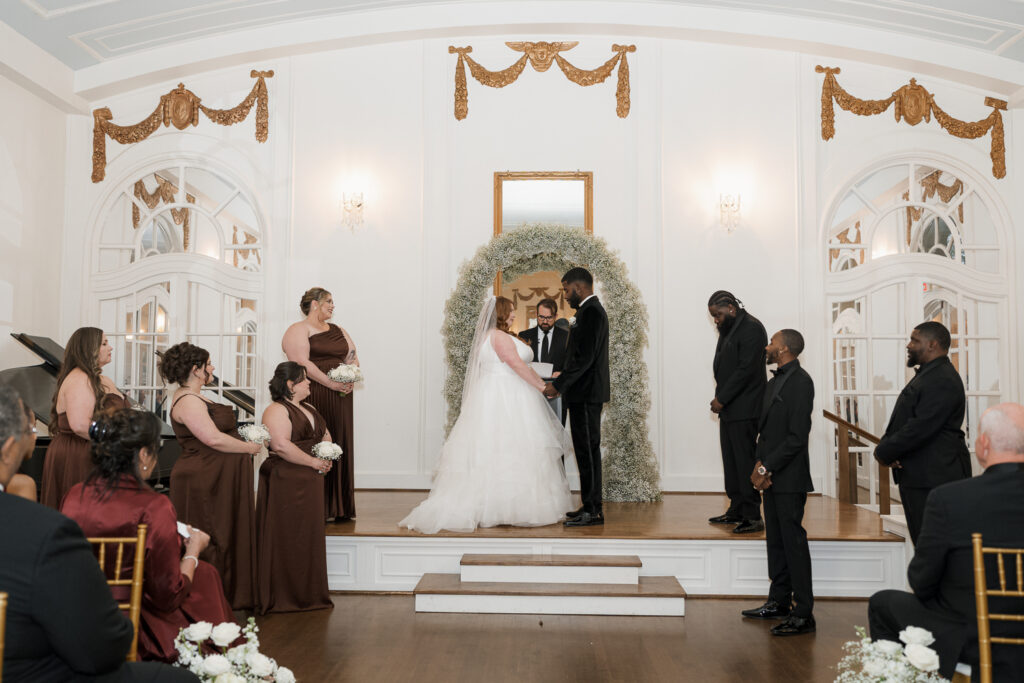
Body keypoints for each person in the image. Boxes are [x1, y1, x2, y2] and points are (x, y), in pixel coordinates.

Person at [0, 384, 199, 682]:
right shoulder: (40, 532)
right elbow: (98, 651)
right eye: (29, 429)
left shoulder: (74, 497)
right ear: (7, 450)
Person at [61, 408, 236, 662]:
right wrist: (194, 550)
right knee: (206, 576)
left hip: (78, 611)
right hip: (132, 620)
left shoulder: (75, 494)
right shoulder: (154, 506)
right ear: (143, 454)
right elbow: (168, 595)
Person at [868, 403, 1024, 680]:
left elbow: (921, 581)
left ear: (984, 444)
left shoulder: (950, 499)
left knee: (883, 604)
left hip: (972, 639)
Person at [401, 296, 571, 533]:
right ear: (501, 313)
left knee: (502, 449)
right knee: (508, 448)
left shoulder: (492, 336)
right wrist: (543, 388)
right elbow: (518, 365)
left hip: (501, 393)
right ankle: (507, 507)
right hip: (506, 397)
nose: (513, 315)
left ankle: (503, 505)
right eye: (511, 311)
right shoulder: (498, 337)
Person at [160, 341, 260, 611]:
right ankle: (208, 601)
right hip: (203, 479)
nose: (212, 368)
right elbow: (212, 438)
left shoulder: (196, 396)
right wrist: (249, 447)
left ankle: (226, 597)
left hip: (217, 477)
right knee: (212, 535)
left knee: (224, 534)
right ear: (196, 369)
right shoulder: (187, 400)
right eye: (208, 364)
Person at [743, 329, 816, 636]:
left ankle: (803, 613)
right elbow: (767, 432)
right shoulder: (775, 381)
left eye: (772, 342)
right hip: (771, 476)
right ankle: (779, 601)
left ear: (785, 348)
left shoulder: (801, 382)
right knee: (776, 541)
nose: (767, 346)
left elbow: (797, 436)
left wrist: (768, 466)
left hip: (789, 477)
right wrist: (760, 466)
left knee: (793, 544)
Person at [874, 321, 971, 544]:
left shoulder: (942, 378)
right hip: (923, 476)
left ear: (932, 345)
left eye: (915, 340)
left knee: (935, 547)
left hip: (935, 478)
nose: (909, 345)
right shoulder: (929, 375)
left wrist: (884, 451)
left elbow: (920, 427)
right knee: (926, 546)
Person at [257, 362, 334, 614]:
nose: (309, 382)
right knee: (289, 535)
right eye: (304, 380)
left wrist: (327, 456)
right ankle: (285, 595)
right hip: (286, 480)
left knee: (307, 536)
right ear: (290, 385)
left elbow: (325, 435)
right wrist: (314, 461)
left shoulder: (309, 407)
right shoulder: (276, 410)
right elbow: (280, 445)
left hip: (310, 480)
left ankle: (308, 594)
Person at [282, 287, 359, 521]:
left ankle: (341, 506)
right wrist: (329, 383)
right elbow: (301, 362)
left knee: (340, 438)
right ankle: (321, 505)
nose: (333, 306)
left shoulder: (339, 330)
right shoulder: (298, 329)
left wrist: (352, 376)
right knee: (319, 439)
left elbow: (352, 355)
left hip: (341, 395)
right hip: (315, 392)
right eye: (329, 301)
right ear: (314, 304)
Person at [544, 268, 610, 527]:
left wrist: (558, 385)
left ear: (579, 288)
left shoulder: (591, 312)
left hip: (586, 393)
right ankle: (590, 504)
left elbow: (585, 358)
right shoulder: (587, 312)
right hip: (584, 393)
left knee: (588, 451)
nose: (565, 294)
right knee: (586, 451)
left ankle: (593, 511)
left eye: (566, 289)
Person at [41, 327, 129, 508]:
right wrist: (115, 441)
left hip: (95, 450)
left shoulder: (99, 379)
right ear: (90, 349)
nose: (110, 348)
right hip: (79, 453)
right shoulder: (80, 378)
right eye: (104, 344)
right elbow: (80, 425)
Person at [707, 291, 768, 534]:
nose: (716, 320)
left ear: (731, 308)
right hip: (732, 408)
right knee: (731, 462)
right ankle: (736, 508)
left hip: (746, 408)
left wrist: (721, 398)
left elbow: (746, 370)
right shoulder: (731, 327)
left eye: (718, 315)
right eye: (713, 316)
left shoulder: (751, 328)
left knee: (744, 462)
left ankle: (753, 516)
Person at [518, 297, 569, 374]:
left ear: (556, 316)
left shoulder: (566, 336)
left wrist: (562, 373)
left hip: (556, 383)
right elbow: (519, 364)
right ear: (536, 314)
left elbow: (572, 364)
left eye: (549, 317)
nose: (545, 321)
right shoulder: (524, 336)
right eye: (541, 317)